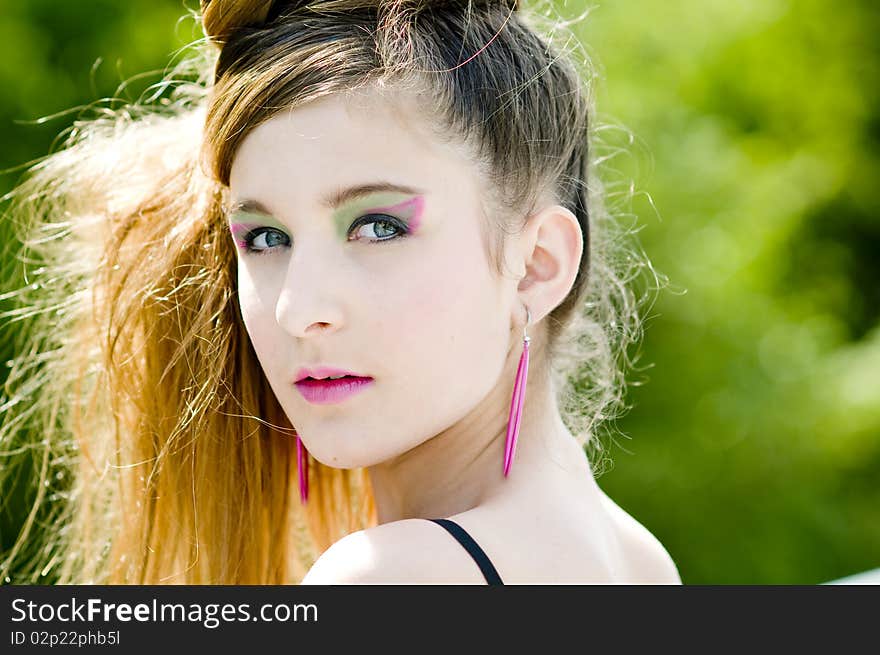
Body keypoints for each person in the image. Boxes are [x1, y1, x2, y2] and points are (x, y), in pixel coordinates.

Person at [0, 0, 680, 584]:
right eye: (265, 238)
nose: (301, 308)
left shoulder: (387, 580)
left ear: (536, 264)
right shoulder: (640, 561)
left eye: (377, 226)